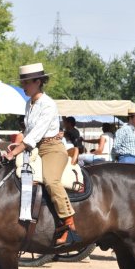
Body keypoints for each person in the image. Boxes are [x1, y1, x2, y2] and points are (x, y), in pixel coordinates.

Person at [6, 62, 81, 248]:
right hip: (35, 148)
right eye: (23, 83)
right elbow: (28, 132)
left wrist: (16, 150)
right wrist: (15, 146)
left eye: (26, 83)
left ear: (38, 81)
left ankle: (69, 225)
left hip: (52, 149)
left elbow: (36, 134)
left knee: (51, 180)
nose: (23, 86)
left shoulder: (48, 104)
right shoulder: (28, 104)